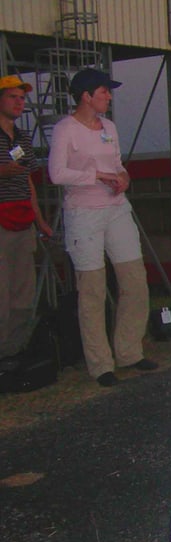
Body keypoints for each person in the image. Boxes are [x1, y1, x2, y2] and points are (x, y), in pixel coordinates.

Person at [48, 68, 156, 387]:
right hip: (84, 213)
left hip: (116, 209)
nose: (109, 96)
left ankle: (129, 351)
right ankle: (100, 363)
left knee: (134, 280)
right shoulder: (65, 129)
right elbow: (56, 173)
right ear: (86, 96)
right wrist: (96, 177)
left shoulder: (109, 127)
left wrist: (122, 177)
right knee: (92, 288)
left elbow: (118, 164)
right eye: (104, 91)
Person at [0, 75, 54, 360]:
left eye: (22, 98)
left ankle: (12, 353)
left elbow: (29, 182)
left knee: (23, 291)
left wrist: (40, 220)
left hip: (22, 220)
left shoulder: (22, 138)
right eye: (12, 97)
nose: (19, 102)